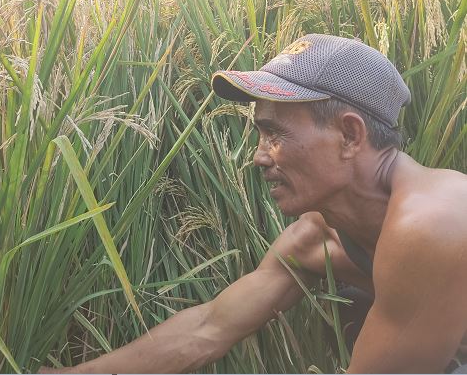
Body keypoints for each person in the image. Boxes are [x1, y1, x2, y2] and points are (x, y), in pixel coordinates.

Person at [43, 34, 467, 373]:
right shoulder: (317, 237)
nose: (259, 155)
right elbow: (210, 327)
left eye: (274, 134)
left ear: (350, 136)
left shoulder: (431, 223)